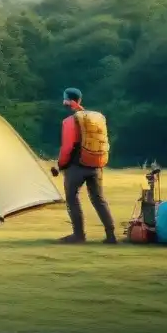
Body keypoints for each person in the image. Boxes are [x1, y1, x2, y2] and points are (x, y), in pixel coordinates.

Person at [55, 88, 117, 244]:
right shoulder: (95, 118)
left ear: (68, 100)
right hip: (96, 165)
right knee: (98, 198)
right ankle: (111, 235)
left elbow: (68, 147)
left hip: (77, 166)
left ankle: (79, 235)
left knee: (72, 197)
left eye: (64, 99)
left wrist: (61, 165)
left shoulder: (70, 121)